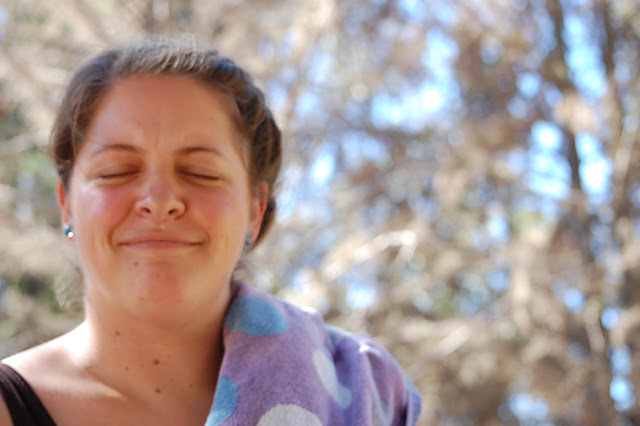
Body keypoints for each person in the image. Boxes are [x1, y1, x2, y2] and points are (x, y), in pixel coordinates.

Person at [0, 39, 422, 425]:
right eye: (117, 170)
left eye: (201, 172)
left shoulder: (366, 395)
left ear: (255, 210)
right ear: (66, 204)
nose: (160, 200)